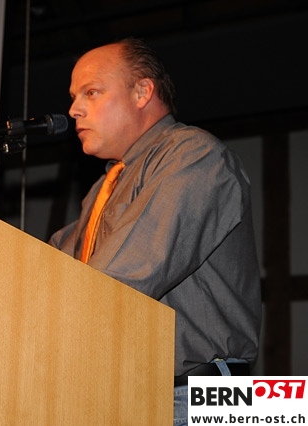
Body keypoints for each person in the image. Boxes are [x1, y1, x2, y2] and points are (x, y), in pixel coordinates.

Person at [49, 37, 261, 424]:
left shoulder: (193, 154)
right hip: (135, 395)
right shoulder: (105, 187)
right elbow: (54, 264)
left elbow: (119, 279)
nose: (74, 109)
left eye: (91, 92)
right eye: (74, 96)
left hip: (197, 399)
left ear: (143, 92)